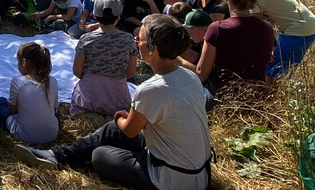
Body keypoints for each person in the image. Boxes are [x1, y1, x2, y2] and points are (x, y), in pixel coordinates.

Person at [15, 14, 212, 190]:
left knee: (100, 155)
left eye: (140, 39)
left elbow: (129, 130)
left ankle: (56, 155)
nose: (136, 42)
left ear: (154, 49)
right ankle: (54, 155)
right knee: (110, 130)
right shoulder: (189, 76)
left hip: (171, 179)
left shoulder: (152, 89)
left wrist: (120, 117)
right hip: (198, 172)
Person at [180, 0, 275, 110]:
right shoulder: (266, 27)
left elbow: (201, 74)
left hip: (221, 98)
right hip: (256, 100)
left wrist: (178, 61)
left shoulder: (217, 28)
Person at [70, 0, 138, 117]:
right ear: (118, 16)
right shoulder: (128, 39)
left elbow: (77, 71)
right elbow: (131, 72)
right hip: (118, 97)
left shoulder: (85, 39)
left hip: (89, 97)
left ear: (95, 16)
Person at [0, 42, 59, 144]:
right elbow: (54, 108)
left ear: (24, 62)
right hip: (52, 134)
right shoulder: (53, 81)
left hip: (24, 136)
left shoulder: (18, 81)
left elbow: (12, 110)